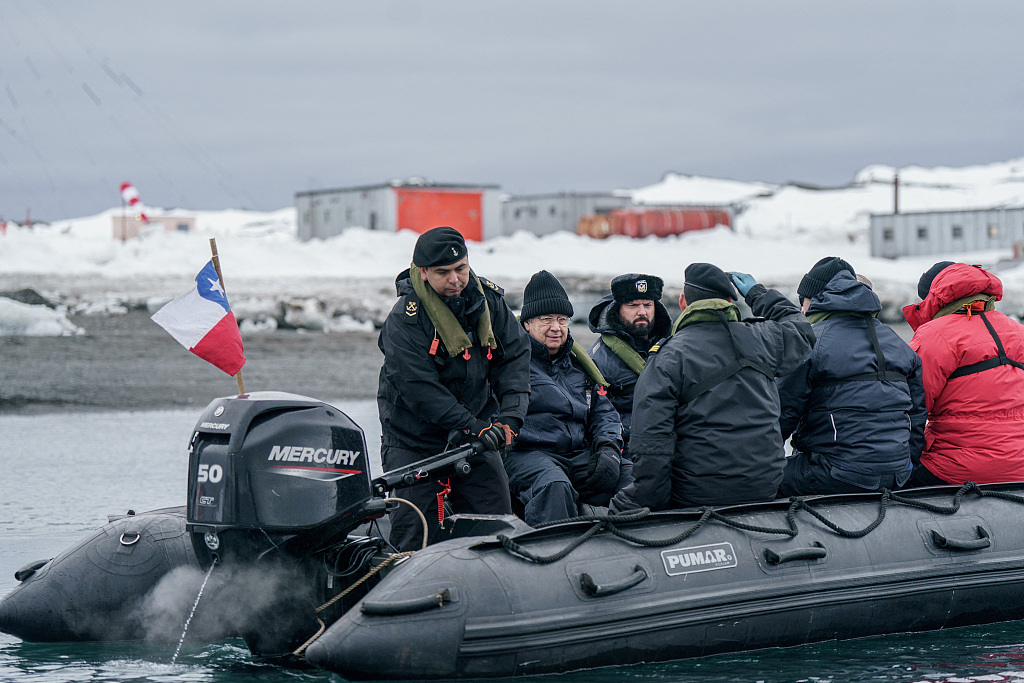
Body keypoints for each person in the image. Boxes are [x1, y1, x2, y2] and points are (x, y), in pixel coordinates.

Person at [610, 263, 815, 512]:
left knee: (616, 508)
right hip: (764, 487)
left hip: (697, 492)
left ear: (684, 302)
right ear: (730, 301)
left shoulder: (668, 357)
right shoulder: (764, 338)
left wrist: (650, 502)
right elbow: (801, 329)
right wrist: (758, 294)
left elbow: (652, 442)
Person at [377, 226, 530, 550]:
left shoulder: (489, 301)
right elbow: (420, 391)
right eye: (443, 273)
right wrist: (475, 427)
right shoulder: (405, 320)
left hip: (474, 432)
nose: (455, 280)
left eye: (460, 269)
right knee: (416, 535)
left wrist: (511, 418)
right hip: (413, 439)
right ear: (424, 272)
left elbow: (514, 357)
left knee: (497, 526)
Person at [776, 257, 926, 496]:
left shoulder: (810, 342)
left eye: (802, 301)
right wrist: (907, 464)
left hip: (839, 472)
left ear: (813, 299)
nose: (801, 310)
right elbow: (917, 415)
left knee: (764, 478)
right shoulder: (897, 343)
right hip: (899, 473)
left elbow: (781, 416)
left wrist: (757, 466)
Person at [503, 270, 629, 525]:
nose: (555, 328)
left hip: (577, 453)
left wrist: (608, 448)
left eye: (562, 320)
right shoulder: (509, 362)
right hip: (528, 454)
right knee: (554, 486)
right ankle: (552, 555)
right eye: (546, 319)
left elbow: (603, 411)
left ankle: (638, 547)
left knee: (633, 476)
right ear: (527, 323)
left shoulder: (579, 363)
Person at [903, 261, 1024, 486]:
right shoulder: (1019, 331)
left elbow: (910, 408)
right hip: (1020, 466)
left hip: (955, 469)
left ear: (934, 297)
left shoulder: (934, 335)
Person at [587, 273, 672, 448]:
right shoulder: (598, 358)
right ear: (617, 309)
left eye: (648, 305)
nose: (642, 312)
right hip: (628, 448)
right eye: (632, 306)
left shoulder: (672, 348)